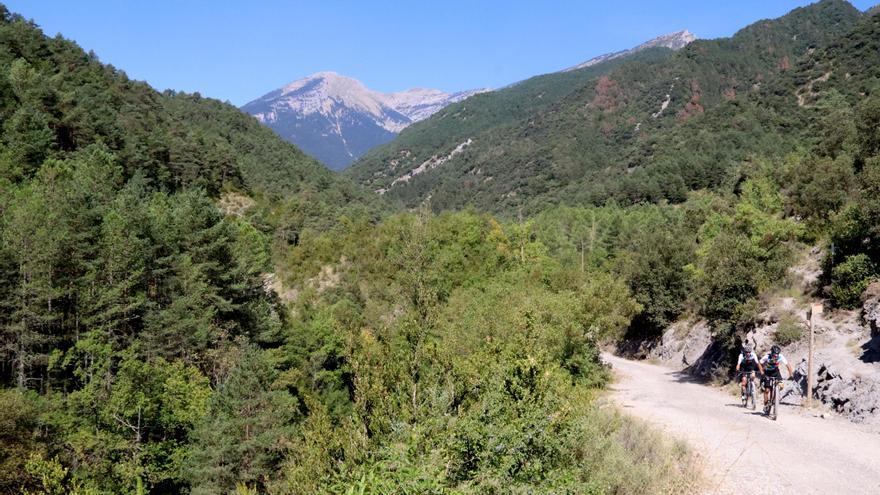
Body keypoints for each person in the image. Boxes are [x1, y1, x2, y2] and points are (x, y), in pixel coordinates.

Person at [760, 345, 794, 414]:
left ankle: (775, 397)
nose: (775, 356)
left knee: (781, 386)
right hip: (767, 373)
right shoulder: (767, 356)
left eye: (777, 355)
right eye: (774, 355)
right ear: (772, 353)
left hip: (776, 372)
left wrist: (791, 374)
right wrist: (761, 372)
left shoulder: (781, 356)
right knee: (767, 390)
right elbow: (759, 363)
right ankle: (766, 405)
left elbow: (788, 365)